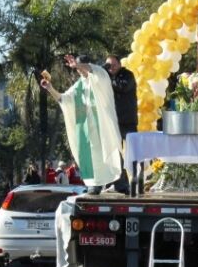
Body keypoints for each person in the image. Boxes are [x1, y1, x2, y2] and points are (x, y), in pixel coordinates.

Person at [40, 54, 122, 195]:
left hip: (102, 127)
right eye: (77, 69)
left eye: (80, 67)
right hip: (86, 129)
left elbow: (92, 69)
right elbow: (63, 99)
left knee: (109, 154)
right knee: (91, 157)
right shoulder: (78, 86)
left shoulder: (100, 75)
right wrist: (50, 88)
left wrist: (77, 65)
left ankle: (119, 183)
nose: (79, 71)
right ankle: (95, 184)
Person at [104, 54, 137, 194]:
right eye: (108, 66)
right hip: (113, 122)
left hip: (127, 121)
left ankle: (137, 182)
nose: (111, 68)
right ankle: (120, 184)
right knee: (115, 153)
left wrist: (106, 77)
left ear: (120, 64)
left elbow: (121, 87)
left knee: (133, 153)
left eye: (113, 65)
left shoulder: (127, 75)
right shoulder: (108, 77)